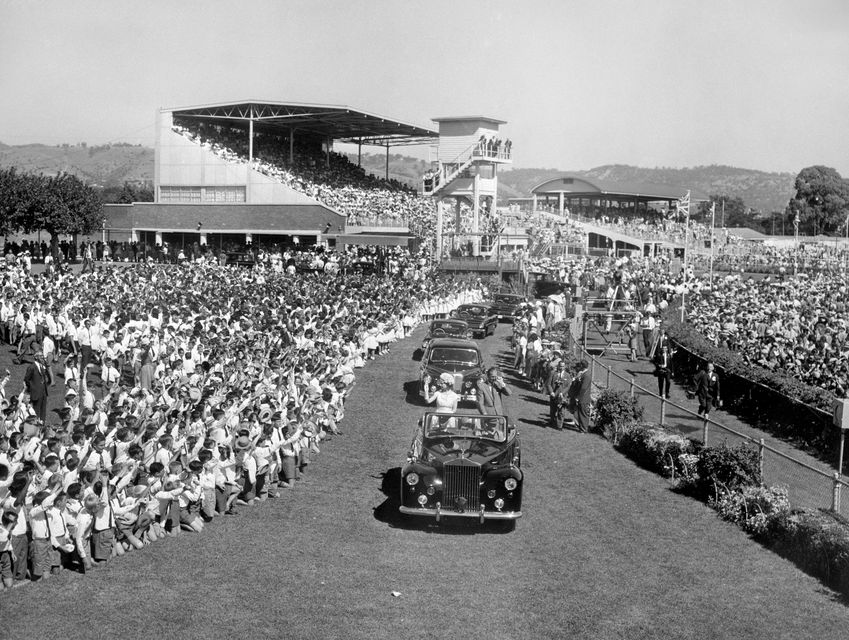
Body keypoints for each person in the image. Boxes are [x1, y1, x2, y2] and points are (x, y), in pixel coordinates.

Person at [24, 354, 51, 425]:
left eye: (42, 355)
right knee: (36, 411)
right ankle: (36, 426)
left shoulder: (42, 366)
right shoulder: (32, 367)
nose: (42, 357)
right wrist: (32, 388)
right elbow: (26, 379)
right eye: (40, 356)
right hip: (36, 393)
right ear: (36, 357)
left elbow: (48, 377)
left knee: (43, 411)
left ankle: (42, 425)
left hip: (43, 392)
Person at [567, 359, 593, 433]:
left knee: (583, 414)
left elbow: (583, 388)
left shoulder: (586, 375)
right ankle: (581, 427)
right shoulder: (583, 374)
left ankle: (584, 429)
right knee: (579, 413)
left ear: (582, 366)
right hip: (581, 397)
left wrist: (578, 398)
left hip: (583, 398)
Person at [544, 360, 570, 430]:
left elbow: (568, 386)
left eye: (563, 366)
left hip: (562, 396)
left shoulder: (567, 375)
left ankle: (559, 426)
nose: (561, 367)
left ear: (565, 367)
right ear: (558, 366)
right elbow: (548, 384)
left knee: (561, 411)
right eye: (560, 366)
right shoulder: (553, 373)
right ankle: (552, 421)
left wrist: (562, 393)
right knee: (553, 410)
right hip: (554, 395)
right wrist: (551, 392)